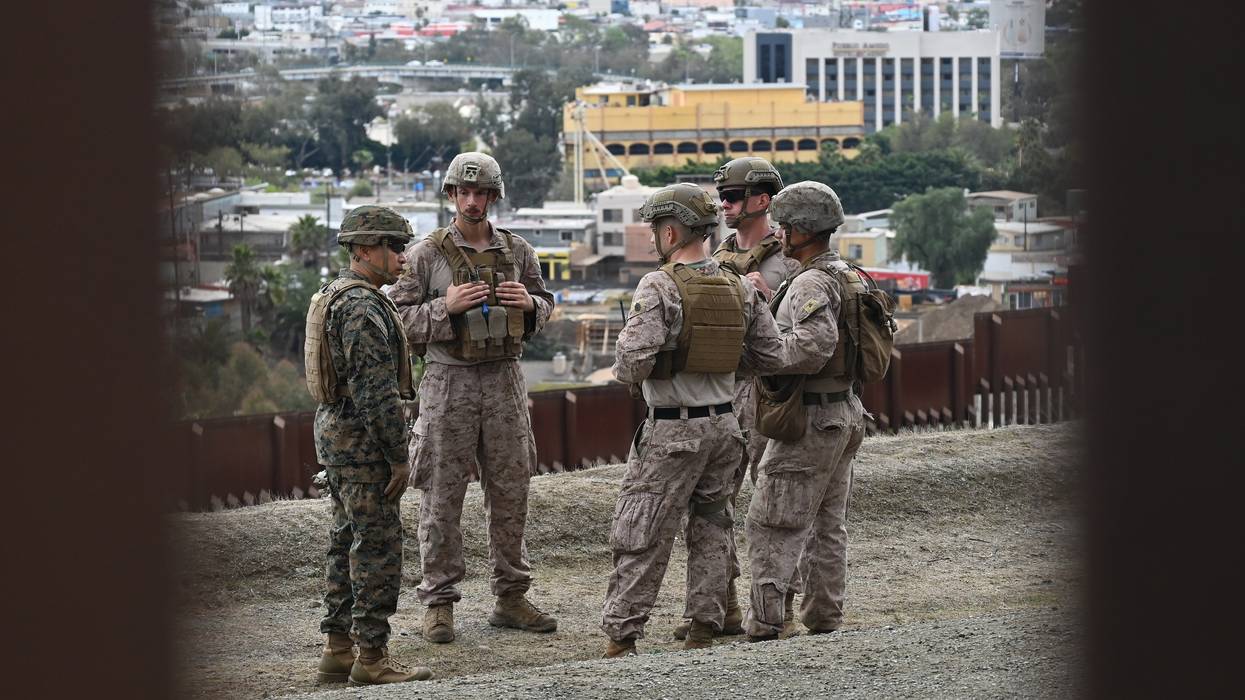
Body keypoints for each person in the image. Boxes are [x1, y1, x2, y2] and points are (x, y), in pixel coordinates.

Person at [600, 183, 802, 658]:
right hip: (726, 426)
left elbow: (631, 362)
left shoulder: (660, 284)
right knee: (713, 528)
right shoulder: (739, 283)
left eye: (655, 230)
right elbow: (770, 356)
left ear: (671, 231)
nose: (653, 239)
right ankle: (703, 629)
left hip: (672, 428)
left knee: (643, 527)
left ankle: (622, 635)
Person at [388, 152, 557, 645]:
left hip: (504, 379)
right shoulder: (425, 255)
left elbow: (544, 303)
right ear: (450, 195)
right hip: (448, 382)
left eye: (482, 193)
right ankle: (439, 601)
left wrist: (530, 307)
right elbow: (396, 323)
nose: (472, 201)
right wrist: (445, 307)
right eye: (464, 192)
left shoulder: (518, 251)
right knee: (441, 496)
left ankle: (510, 596)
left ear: (493, 197)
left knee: (511, 490)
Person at [672, 156, 804, 641]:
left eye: (733, 197)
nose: (725, 205)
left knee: (776, 503)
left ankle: (780, 606)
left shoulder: (790, 261)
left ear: (762, 200)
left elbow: (803, 336)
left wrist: (767, 296)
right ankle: (720, 603)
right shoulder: (718, 256)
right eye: (721, 197)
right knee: (713, 502)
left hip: (773, 394)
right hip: (723, 391)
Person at [306, 205, 432, 685]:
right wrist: (398, 456)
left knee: (345, 541)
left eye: (402, 247)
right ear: (363, 250)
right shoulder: (361, 307)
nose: (402, 257)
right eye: (393, 247)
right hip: (363, 446)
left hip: (338, 438)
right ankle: (372, 658)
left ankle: (338, 649)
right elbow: (375, 393)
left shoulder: (337, 295)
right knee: (376, 548)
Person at [743, 181, 868, 641]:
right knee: (826, 524)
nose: (777, 232)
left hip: (813, 417)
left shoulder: (812, 281)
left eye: (784, 225)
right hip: (844, 411)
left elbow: (813, 347)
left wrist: (761, 350)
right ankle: (824, 618)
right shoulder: (847, 273)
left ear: (802, 230)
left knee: (772, 520)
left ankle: (766, 623)